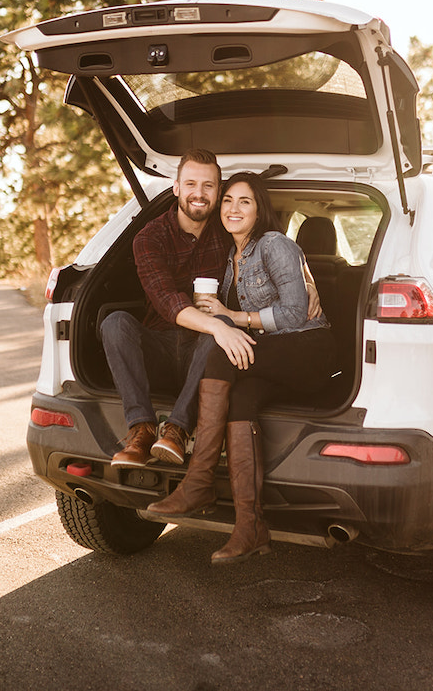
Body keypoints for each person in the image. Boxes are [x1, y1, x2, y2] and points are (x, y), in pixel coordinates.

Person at [147, 172, 335, 565]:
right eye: (228, 200)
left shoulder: (274, 244)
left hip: (308, 350)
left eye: (244, 201)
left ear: (259, 208)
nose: (233, 208)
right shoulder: (229, 259)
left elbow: (295, 312)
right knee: (242, 396)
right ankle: (251, 527)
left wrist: (233, 317)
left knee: (221, 350)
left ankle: (198, 480)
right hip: (274, 353)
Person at [102, 151, 319, 469]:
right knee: (115, 322)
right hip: (161, 347)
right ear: (176, 187)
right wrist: (219, 325)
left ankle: (177, 430)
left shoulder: (227, 230)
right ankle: (142, 431)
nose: (199, 193)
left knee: (218, 325)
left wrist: (307, 280)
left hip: (207, 356)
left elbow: (270, 246)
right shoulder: (149, 237)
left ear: (217, 193)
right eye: (190, 183)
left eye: (208, 186)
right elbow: (167, 302)